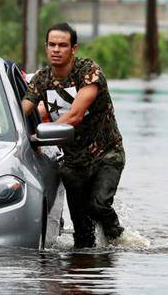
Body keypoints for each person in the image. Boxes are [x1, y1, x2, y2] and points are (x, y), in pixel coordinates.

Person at [21, 22, 125, 249]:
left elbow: (75, 115)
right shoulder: (41, 79)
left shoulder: (88, 71)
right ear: (46, 47)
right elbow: (24, 109)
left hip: (106, 153)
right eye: (52, 45)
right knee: (82, 234)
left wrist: (39, 136)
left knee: (98, 206)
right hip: (73, 161)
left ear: (74, 49)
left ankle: (118, 239)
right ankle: (81, 272)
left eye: (62, 45)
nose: (56, 49)